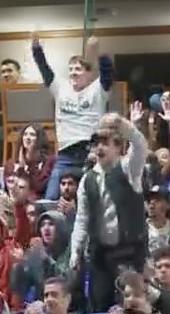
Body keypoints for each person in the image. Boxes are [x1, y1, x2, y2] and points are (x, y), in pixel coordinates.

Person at [70, 113, 149, 312]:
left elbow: (140, 146)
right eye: (95, 143)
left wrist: (123, 125)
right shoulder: (87, 180)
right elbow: (82, 219)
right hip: (101, 255)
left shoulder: (129, 169)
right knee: (99, 307)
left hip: (130, 252)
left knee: (132, 307)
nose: (99, 148)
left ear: (118, 146)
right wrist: (76, 250)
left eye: (105, 143)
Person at [33, 33, 113, 200]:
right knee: (50, 199)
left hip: (91, 154)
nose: (73, 73)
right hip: (65, 155)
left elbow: (107, 72)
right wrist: (36, 49)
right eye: (70, 69)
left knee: (95, 201)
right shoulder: (60, 88)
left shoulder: (98, 90)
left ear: (89, 74)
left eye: (78, 69)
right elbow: (44, 69)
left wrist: (99, 52)